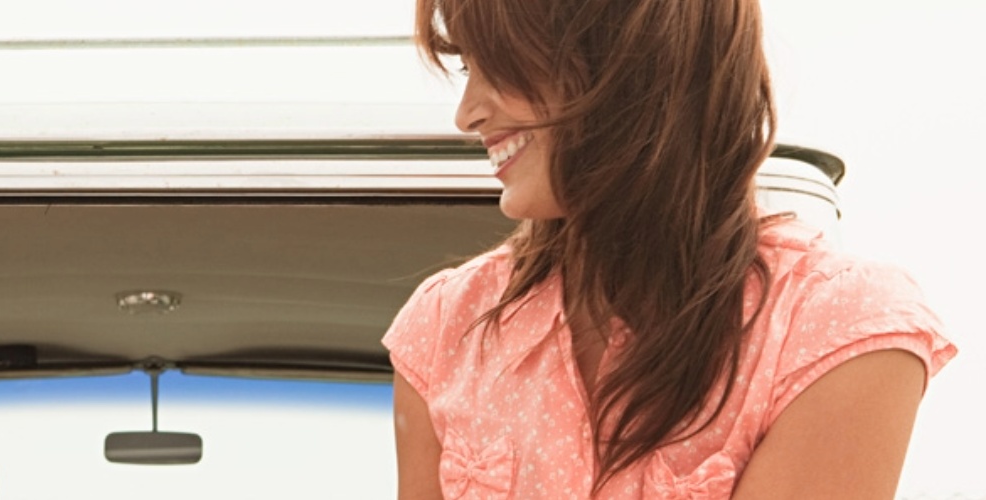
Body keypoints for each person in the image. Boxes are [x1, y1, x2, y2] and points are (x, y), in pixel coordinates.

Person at [386, 0, 958, 498]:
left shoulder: (833, 331)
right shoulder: (442, 332)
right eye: (468, 66)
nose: (467, 114)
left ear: (623, 57)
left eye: (501, 63)